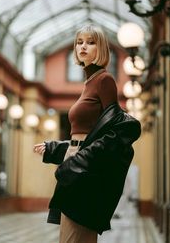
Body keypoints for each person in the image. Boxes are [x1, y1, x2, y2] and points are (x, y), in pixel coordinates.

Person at [34, 25, 141, 243]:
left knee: (76, 237)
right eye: (79, 42)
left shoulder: (104, 80)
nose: (83, 46)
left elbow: (116, 130)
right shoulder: (89, 83)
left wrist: (81, 158)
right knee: (69, 235)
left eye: (91, 42)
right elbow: (86, 135)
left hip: (85, 170)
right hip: (76, 164)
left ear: (101, 49)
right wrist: (57, 148)